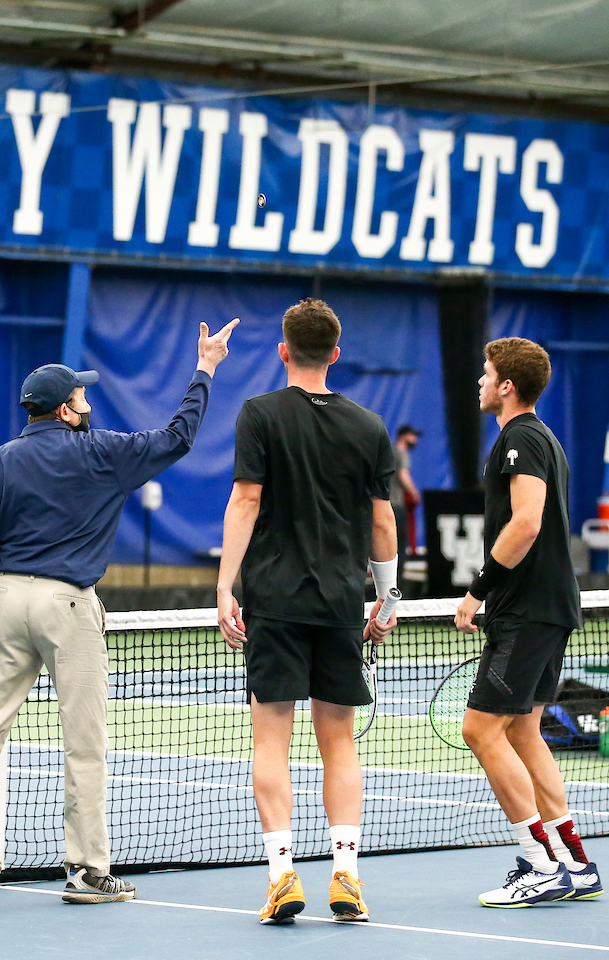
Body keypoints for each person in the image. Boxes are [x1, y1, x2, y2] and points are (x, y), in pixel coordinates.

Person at [0, 318, 238, 906]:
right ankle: (87, 872)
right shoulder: (103, 453)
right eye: (81, 395)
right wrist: (205, 369)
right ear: (64, 410)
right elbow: (178, 436)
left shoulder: (0, 460)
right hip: (68, 605)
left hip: (5, 601)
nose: (88, 401)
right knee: (84, 743)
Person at [216, 298, 398, 925]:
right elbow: (382, 518)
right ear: (336, 354)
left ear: (283, 350)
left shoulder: (259, 413)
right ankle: (346, 876)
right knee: (339, 743)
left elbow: (245, 500)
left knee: (271, 740)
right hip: (343, 604)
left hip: (275, 602)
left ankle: (280, 875)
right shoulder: (370, 425)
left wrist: (224, 588)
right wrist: (388, 596)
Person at [454, 337, 597, 907]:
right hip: (547, 607)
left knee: (479, 730)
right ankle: (575, 863)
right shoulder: (540, 439)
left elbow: (528, 523)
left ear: (508, 385)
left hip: (527, 609)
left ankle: (540, 865)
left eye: (486, 374)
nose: (480, 382)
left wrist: (477, 591)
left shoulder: (519, 440)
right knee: (522, 730)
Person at [389, 424, 421, 559]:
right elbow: (403, 475)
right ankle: (398, 577)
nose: (415, 440)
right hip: (397, 503)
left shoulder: (389, 452)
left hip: (384, 503)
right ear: (404, 436)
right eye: (413, 436)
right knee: (400, 541)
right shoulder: (402, 453)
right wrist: (414, 493)